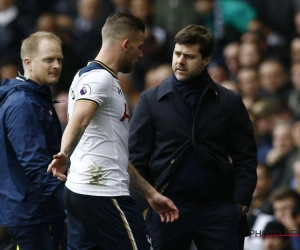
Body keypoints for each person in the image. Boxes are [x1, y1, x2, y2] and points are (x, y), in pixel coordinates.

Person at [47, 12, 179, 250]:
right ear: (125, 44)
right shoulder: (100, 79)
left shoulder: (85, 76)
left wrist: (150, 193)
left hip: (80, 193)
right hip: (103, 194)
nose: (140, 54)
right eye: (138, 47)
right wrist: (64, 153)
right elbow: (78, 121)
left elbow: (113, 152)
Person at [129, 24, 258, 250]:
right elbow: (135, 158)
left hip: (218, 209)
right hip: (165, 207)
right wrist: (146, 204)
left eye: (189, 56)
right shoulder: (150, 100)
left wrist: (238, 206)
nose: (180, 61)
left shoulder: (229, 102)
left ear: (206, 59)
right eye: (177, 54)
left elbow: (246, 158)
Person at [0, 31, 66, 250]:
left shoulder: (35, 97)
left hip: (35, 210)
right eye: (49, 60)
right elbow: (36, 164)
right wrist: (70, 202)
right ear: (27, 63)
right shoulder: (23, 104)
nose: (56, 65)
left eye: (59, 59)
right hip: (31, 213)